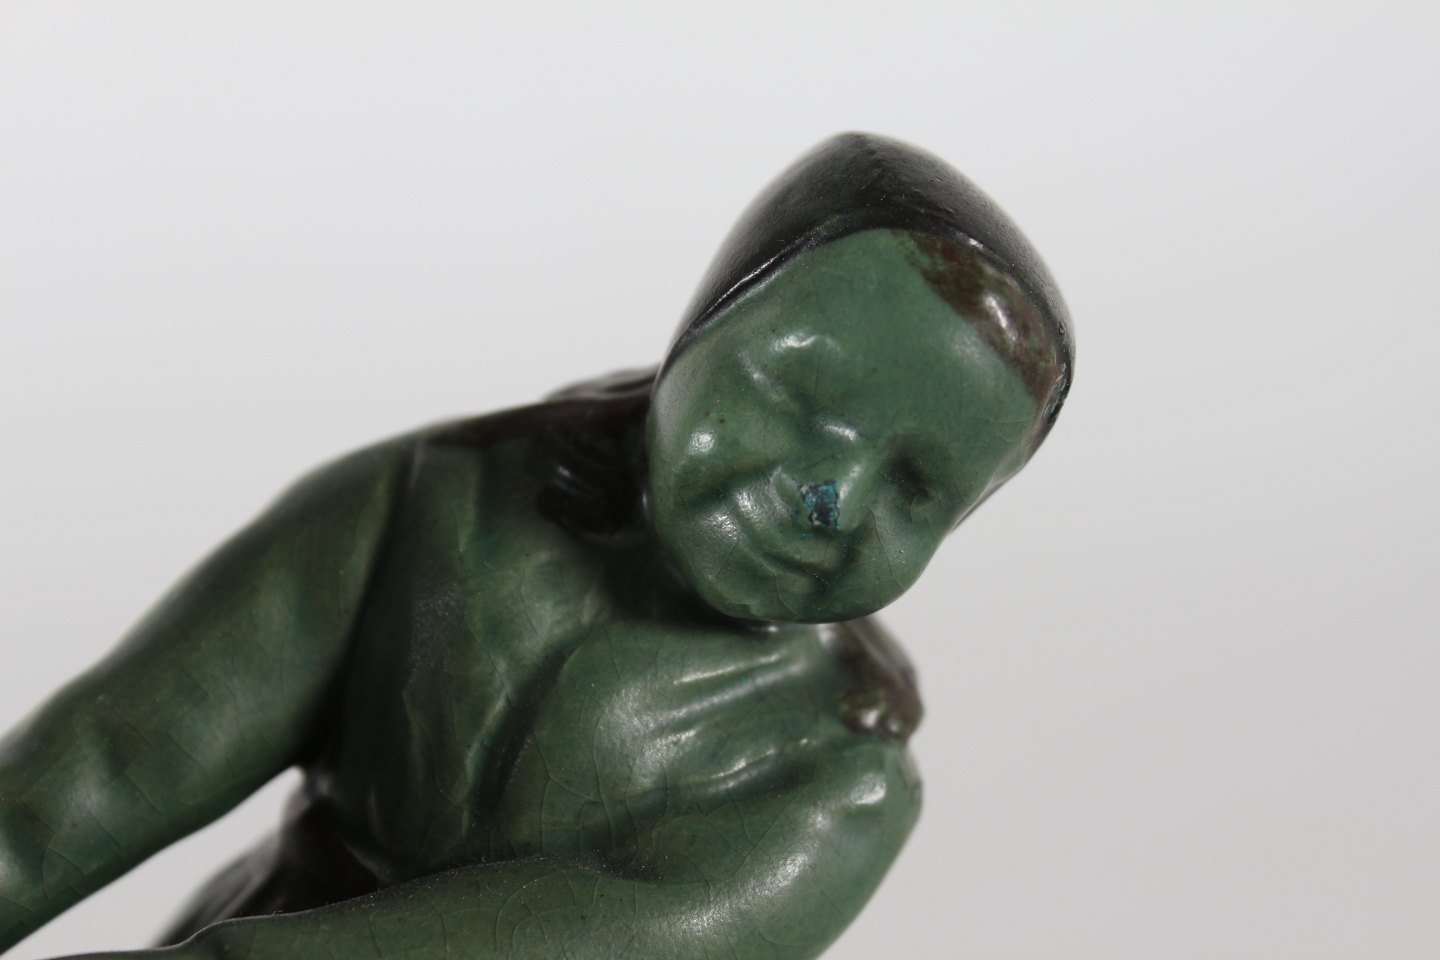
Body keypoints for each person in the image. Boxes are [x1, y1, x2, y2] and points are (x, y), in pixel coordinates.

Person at [0, 133, 1073, 960]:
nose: (833, 495)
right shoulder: (429, 504)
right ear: (694, 338)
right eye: (795, 395)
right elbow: (110, 761)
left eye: (917, 488)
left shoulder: (832, 780)